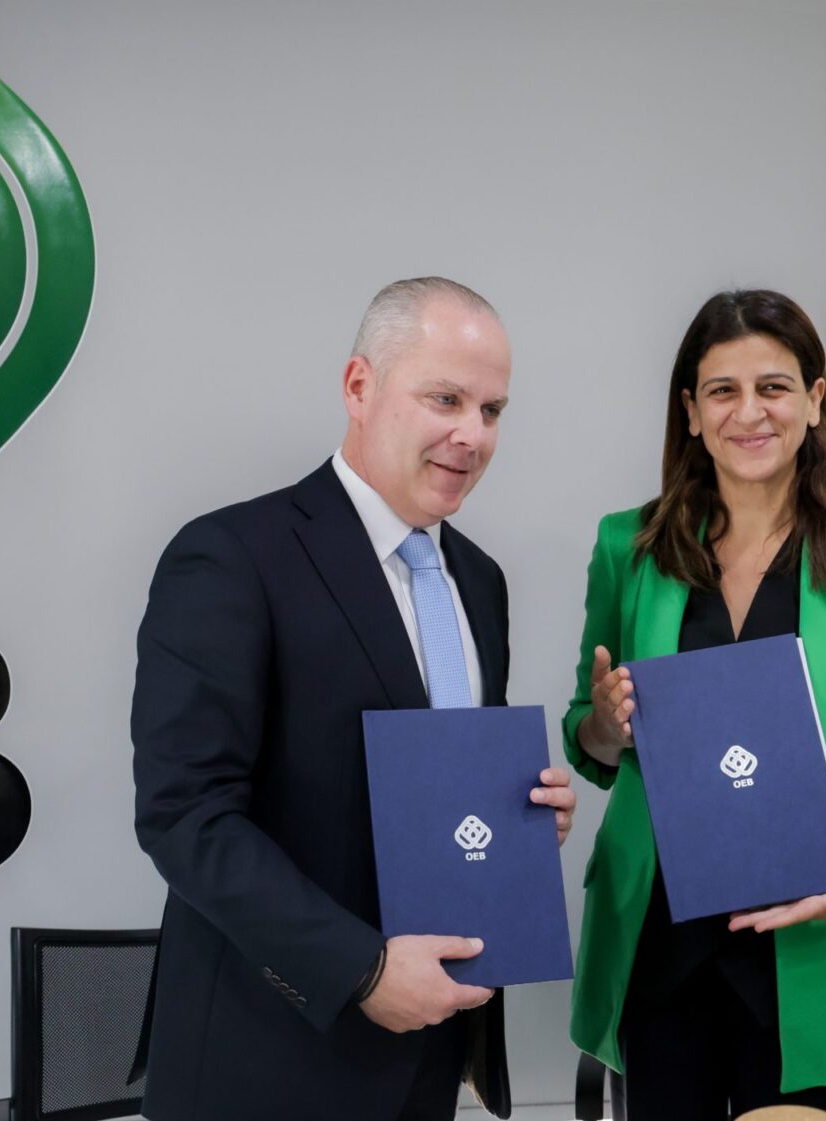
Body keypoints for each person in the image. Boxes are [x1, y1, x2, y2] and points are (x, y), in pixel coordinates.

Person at [131, 277, 576, 1121]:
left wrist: (522, 813)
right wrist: (360, 969)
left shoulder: (478, 580)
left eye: (492, 410)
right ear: (359, 386)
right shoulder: (231, 556)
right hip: (266, 1066)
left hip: (430, 1060)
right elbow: (185, 815)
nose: (473, 434)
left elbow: (437, 793)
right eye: (446, 398)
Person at [563, 289, 826, 1121]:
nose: (750, 412)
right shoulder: (627, 547)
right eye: (723, 390)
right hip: (659, 948)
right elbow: (589, 741)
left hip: (818, 949)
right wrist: (605, 723)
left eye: (774, 387)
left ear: (814, 401)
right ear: (691, 410)